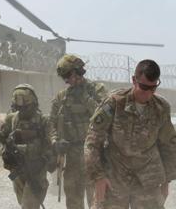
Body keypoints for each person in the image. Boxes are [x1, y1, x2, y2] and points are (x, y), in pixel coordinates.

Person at [85, 59, 176, 209]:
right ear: (134, 80)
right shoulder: (114, 103)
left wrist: (166, 180)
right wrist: (98, 177)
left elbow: (169, 145)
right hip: (115, 176)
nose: (148, 93)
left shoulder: (161, 108)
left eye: (153, 88)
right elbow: (93, 140)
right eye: (144, 87)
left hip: (148, 179)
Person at [48, 54, 107, 209]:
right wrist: (55, 141)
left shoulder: (97, 90)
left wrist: (84, 97)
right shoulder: (62, 97)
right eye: (64, 78)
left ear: (78, 71)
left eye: (68, 76)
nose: (67, 81)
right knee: (73, 201)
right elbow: (51, 123)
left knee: (97, 202)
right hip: (72, 157)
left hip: (94, 155)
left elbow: (104, 116)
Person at [0, 84, 56, 209]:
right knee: (23, 202)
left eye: (25, 107)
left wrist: (46, 156)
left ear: (33, 104)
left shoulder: (43, 121)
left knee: (29, 205)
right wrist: (4, 152)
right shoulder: (11, 119)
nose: (22, 111)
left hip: (36, 170)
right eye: (18, 107)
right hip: (17, 170)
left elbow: (53, 138)